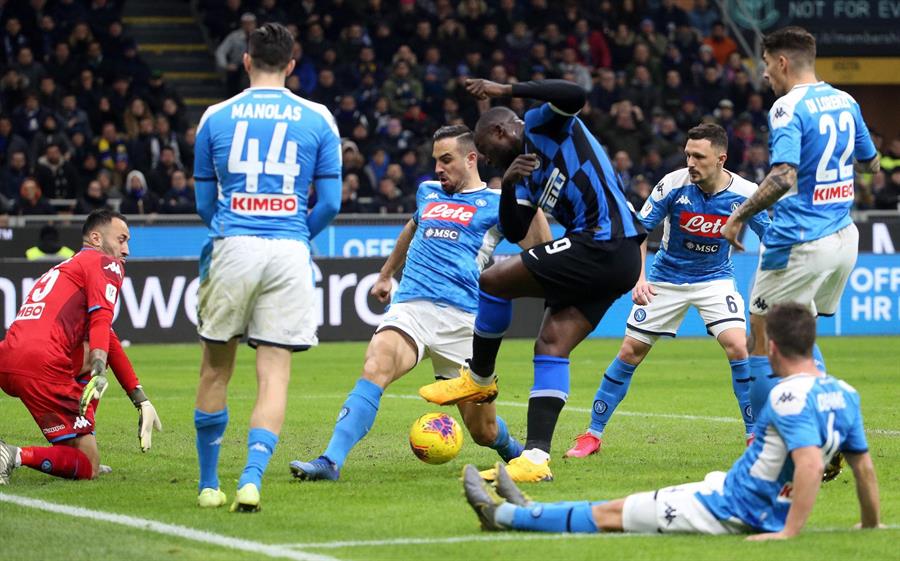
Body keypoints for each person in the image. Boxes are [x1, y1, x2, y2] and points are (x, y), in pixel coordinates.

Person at [463, 303, 883, 539]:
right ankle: (529, 509)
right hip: (731, 489)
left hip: (731, 508)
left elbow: (810, 464)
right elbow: (862, 467)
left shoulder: (787, 396)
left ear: (770, 348)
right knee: (627, 506)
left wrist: (788, 532)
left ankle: (504, 518)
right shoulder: (844, 393)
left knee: (614, 513)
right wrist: (869, 523)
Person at [288, 125, 550, 481]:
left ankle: (516, 453)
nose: (438, 169)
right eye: (436, 161)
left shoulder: (495, 203)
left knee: (482, 431)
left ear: (471, 159)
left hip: (463, 323)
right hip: (412, 307)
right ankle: (330, 461)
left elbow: (538, 247)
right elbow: (412, 228)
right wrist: (385, 274)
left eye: (446, 160)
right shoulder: (428, 192)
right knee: (376, 366)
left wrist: (526, 197)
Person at [419, 78, 646, 483]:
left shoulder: (544, 125)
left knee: (492, 280)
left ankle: (479, 379)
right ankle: (535, 458)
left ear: (502, 132)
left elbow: (575, 94)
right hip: (613, 258)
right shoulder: (521, 175)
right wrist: (506, 186)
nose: (487, 160)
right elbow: (515, 225)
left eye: (487, 153)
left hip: (604, 242)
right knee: (552, 344)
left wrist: (505, 89)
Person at [192, 22, 341, 512]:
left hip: (233, 243)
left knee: (215, 370)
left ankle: (209, 485)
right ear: (292, 65)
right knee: (273, 374)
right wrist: (295, 232)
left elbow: (203, 201)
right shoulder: (318, 117)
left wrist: (237, 228)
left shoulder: (216, 116)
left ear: (247, 61)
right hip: (289, 251)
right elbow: (331, 204)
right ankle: (252, 478)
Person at [565, 124, 770, 459]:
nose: (690, 161)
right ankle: (592, 434)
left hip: (715, 278)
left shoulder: (747, 192)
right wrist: (639, 278)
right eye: (687, 154)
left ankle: (753, 435)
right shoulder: (673, 185)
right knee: (630, 351)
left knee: (738, 347)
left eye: (699, 156)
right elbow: (639, 232)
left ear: (721, 159)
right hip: (665, 279)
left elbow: (770, 237)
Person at [721, 27, 878, 431]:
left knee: (760, 337)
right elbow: (871, 163)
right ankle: (828, 425)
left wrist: (739, 215)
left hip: (798, 240)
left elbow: (783, 176)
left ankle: (760, 440)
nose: (765, 75)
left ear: (782, 62)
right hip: (843, 237)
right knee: (800, 333)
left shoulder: (787, 107)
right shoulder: (846, 101)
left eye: (767, 66)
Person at [0, 209, 162, 484]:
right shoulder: (105, 264)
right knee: (88, 465)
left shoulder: (69, 268)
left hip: (10, 355)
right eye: (121, 239)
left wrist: (140, 398)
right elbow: (101, 321)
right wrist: (99, 369)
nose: (127, 250)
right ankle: (12, 455)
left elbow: (107, 336)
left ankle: (78, 451)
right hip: (43, 363)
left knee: (77, 455)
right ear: (97, 238)